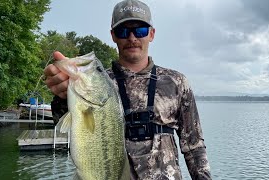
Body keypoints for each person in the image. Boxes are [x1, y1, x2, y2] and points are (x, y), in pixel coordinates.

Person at [44, 0, 212, 179]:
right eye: (123, 31)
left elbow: (194, 146)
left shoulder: (176, 82)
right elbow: (62, 123)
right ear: (113, 35)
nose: (132, 38)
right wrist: (62, 96)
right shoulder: (98, 81)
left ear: (152, 34)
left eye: (140, 30)